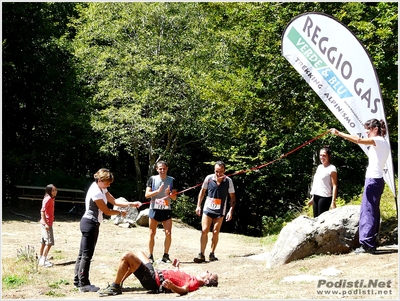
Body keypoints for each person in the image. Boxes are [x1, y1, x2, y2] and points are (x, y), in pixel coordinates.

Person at [74, 168, 142, 292]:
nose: (109, 185)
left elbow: (114, 201)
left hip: (91, 223)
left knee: (83, 254)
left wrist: (131, 204)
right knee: (86, 255)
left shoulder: (102, 188)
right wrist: (120, 213)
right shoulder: (96, 192)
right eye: (107, 183)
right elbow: (106, 211)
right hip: (90, 223)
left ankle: (78, 281)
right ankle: (83, 284)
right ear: (99, 180)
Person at [330, 119, 390, 254]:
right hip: (377, 181)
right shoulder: (383, 142)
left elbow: (358, 140)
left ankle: (367, 244)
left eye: (368, 129)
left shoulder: (378, 140)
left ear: (375, 128)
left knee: (368, 212)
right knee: (372, 211)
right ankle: (371, 242)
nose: (366, 132)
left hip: (373, 181)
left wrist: (339, 133)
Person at [97, 250, 218, 296]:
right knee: (139, 253)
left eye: (209, 273)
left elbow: (184, 290)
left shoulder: (195, 284)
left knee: (127, 256)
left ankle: (115, 286)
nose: (207, 270)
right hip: (154, 272)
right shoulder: (192, 278)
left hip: (152, 280)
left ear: (206, 281)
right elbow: (179, 278)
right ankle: (120, 282)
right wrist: (177, 268)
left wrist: (172, 287)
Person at [194, 160, 236, 263]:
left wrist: (230, 210)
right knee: (204, 230)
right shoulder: (208, 178)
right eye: (216, 171)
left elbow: (232, 197)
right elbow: (202, 191)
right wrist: (198, 206)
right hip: (208, 208)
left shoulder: (228, 181)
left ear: (224, 170)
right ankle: (201, 254)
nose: (218, 174)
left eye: (221, 171)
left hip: (220, 210)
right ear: (214, 170)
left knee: (216, 231)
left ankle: (212, 254)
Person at [145, 160, 178, 263]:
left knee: (168, 233)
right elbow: (147, 195)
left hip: (166, 210)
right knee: (152, 233)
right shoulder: (152, 179)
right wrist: (157, 191)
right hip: (154, 209)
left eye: (164, 168)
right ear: (157, 169)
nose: (162, 170)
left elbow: (174, 198)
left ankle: (166, 255)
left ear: (167, 169)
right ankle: (150, 255)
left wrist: (170, 193)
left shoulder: (172, 180)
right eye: (160, 169)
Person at [307, 145, 338, 217]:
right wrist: (313, 198)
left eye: (324, 155)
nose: (322, 157)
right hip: (316, 196)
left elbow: (334, 185)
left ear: (329, 156)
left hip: (325, 197)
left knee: (321, 219)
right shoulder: (319, 167)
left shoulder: (332, 168)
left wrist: (333, 201)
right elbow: (318, 183)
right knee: (315, 218)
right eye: (320, 155)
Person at [38, 184, 57, 267]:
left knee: (43, 241)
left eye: (56, 190)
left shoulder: (51, 198)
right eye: (53, 190)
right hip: (47, 224)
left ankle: (40, 257)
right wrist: (46, 224)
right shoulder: (48, 199)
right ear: (49, 191)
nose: (55, 192)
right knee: (49, 242)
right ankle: (43, 261)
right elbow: (42, 211)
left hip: (47, 222)